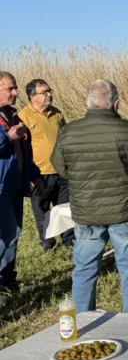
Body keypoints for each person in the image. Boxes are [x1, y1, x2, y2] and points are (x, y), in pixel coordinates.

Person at [51, 79, 128, 314]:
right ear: (116, 103)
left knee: (84, 267)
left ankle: (82, 318)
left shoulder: (68, 132)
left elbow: (61, 168)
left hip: (86, 211)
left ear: (87, 102)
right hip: (124, 210)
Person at [18, 79, 74, 251]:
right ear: (32, 97)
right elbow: (21, 149)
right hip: (39, 173)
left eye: (49, 91)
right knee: (42, 209)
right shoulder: (23, 117)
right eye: (44, 92)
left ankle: (70, 240)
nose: (49, 95)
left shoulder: (57, 113)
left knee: (65, 208)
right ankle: (48, 243)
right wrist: (28, 175)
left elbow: (65, 138)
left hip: (61, 171)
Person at [0, 72, 31, 300]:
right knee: (5, 234)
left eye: (15, 88)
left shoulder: (12, 115)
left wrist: (31, 175)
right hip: (1, 185)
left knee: (14, 233)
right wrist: (8, 138)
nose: (15, 93)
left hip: (14, 183)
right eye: (10, 88)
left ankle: (8, 277)